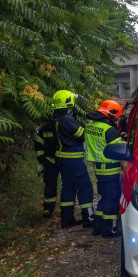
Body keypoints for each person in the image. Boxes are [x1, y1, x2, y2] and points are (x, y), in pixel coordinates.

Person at [52, 90, 96, 229]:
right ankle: (88, 218)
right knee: (85, 187)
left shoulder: (55, 117)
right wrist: (89, 128)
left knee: (68, 188)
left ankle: (67, 219)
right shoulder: (67, 119)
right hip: (73, 160)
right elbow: (81, 135)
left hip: (62, 160)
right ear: (68, 102)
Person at [85, 100, 125, 238]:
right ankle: (109, 230)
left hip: (98, 168)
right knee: (112, 199)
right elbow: (121, 149)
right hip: (110, 168)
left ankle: (97, 227)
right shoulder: (110, 131)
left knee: (104, 197)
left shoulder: (90, 127)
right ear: (111, 114)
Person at [34, 116, 60, 218]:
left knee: (68, 186)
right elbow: (39, 145)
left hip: (63, 160)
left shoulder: (64, 127)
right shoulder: (44, 130)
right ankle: (48, 209)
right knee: (50, 185)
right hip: (49, 161)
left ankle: (67, 210)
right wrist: (42, 160)